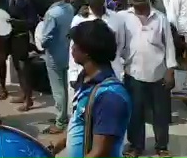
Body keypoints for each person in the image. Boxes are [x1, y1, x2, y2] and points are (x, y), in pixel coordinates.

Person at [49, 20, 132, 158]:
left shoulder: (110, 96)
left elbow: (100, 153)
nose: (72, 48)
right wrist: (55, 148)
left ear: (87, 52)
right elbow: (79, 122)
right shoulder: (85, 79)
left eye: (76, 44)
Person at [119, 0, 177, 158]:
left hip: (158, 73)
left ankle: (162, 146)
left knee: (160, 113)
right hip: (132, 73)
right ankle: (136, 146)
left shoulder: (160, 18)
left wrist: (170, 71)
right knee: (135, 113)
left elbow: (169, 46)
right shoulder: (122, 17)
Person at [69, 0, 126, 102]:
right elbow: (73, 49)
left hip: (112, 72)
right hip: (86, 73)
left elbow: (121, 44)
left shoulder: (116, 18)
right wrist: (73, 74)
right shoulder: (79, 19)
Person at [37, 0, 74, 134]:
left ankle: (60, 122)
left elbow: (45, 39)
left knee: (58, 89)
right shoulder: (70, 8)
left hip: (53, 56)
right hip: (68, 52)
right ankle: (63, 116)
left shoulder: (52, 13)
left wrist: (40, 42)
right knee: (65, 88)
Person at [6, 0, 38, 112]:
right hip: (12, 38)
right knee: (17, 68)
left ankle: (28, 100)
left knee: (24, 70)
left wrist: (17, 23)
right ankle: (23, 94)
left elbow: (32, 22)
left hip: (23, 37)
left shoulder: (27, 1)